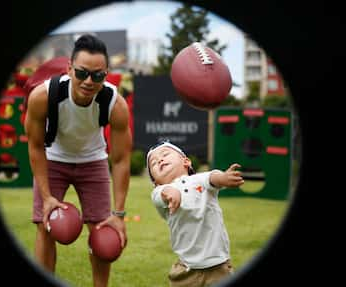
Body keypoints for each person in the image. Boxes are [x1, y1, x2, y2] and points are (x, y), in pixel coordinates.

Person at [24, 34, 132, 287]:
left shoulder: (115, 104)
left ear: (106, 74)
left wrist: (118, 213)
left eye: (97, 75)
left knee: (103, 234)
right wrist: (47, 196)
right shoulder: (43, 96)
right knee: (45, 226)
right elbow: (36, 146)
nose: (88, 81)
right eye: (82, 73)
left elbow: (120, 160)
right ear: (69, 69)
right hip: (53, 158)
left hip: (93, 160)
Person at [146, 141, 244, 287]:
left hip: (218, 266)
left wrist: (223, 178)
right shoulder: (158, 191)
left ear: (186, 162)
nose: (160, 160)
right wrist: (172, 193)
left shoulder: (199, 180)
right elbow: (164, 194)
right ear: (155, 182)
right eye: (153, 163)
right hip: (185, 270)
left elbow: (212, 177)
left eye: (166, 154)